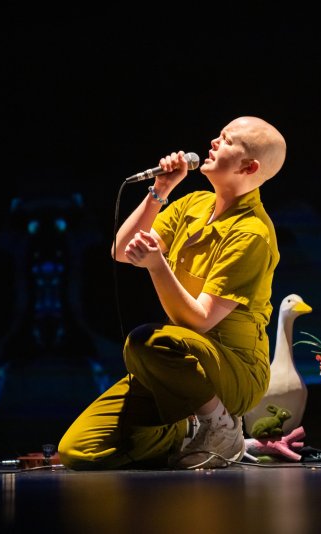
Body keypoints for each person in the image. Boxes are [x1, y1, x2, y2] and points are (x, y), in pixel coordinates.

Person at [58, 116, 287, 470]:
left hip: (232, 370)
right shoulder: (193, 204)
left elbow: (199, 321)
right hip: (180, 363)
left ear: (249, 166)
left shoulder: (252, 233)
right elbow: (120, 249)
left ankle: (221, 426)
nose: (213, 141)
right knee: (79, 450)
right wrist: (160, 191)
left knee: (146, 342)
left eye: (226, 141)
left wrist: (156, 265)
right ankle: (187, 428)